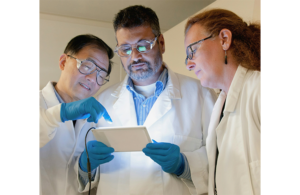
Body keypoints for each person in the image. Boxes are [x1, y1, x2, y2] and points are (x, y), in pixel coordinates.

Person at [76, 5, 217, 195]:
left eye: (143, 45)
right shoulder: (101, 102)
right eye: (125, 49)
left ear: (161, 43)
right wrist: (85, 166)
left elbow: (222, 159)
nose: (135, 57)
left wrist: (185, 165)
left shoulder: (202, 95)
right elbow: (77, 174)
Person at [184, 9, 260, 195]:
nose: (189, 64)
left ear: (224, 39)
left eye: (192, 50)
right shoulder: (220, 107)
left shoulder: (260, 89)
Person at [40, 34, 115, 195]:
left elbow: (79, 183)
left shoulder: (93, 121)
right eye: (87, 66)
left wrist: (84, 168)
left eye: (101, 75)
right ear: (63, 62)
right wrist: (61, 113)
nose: (92, 79)